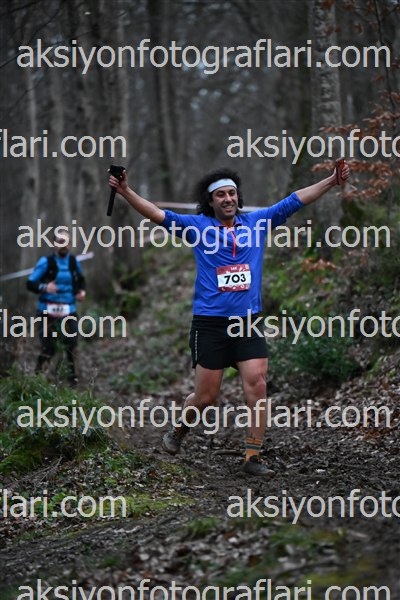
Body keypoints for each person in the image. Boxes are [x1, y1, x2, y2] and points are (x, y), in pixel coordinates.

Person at [109, 162, 350, 476]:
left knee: (257, 384)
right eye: (221, 194)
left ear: (238, 197)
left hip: (248, 322)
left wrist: (331, 181)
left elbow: (295, 200)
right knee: (206, 397)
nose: (228, 199)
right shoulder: (197, 227)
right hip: (210, 324)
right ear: (210, 201)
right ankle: (180, 429)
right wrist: (126, 191)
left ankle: (252, 458)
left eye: (232, 193)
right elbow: (157, 214)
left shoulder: (257, 222)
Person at [27, 233, 86, 384]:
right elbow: (30, 283)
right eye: (60, 241)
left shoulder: (73, 261)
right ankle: (37, 378)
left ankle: (72, 380)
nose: (64, 245)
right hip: (47, 311)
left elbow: (81, 280)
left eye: (66, 241)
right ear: (54, 244)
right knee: (48, 347)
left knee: (71, 344)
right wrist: (45, 287)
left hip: (68, 310)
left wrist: (81, 292)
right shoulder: (45, 262)